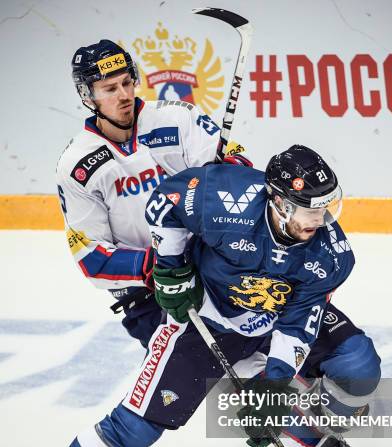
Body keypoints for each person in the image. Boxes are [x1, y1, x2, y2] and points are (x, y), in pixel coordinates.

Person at [7, 145, 381, 447]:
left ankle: (316, 433)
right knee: (135, 427)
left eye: (328, 208)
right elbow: (163, 203)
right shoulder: (225, 197)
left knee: (356, 368)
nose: (322, 222)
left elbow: (299, 325)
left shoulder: (330, 254)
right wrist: (171, 267)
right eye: (311, 212)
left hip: (274, 315)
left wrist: (274, 386)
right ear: (278, 201)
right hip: (207, 319)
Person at [57, 39, 249, 346]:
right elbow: (92, 257)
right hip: (153, 295)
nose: (124, 95)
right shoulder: (77, 165)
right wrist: (160, 265)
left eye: (126, 82)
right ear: (87, 96)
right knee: (205, 382)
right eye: (109, 89)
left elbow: (240, 170)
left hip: (216, 266)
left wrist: (232, 170)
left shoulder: (179, 118)